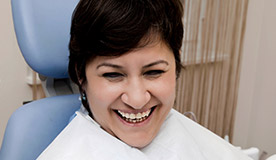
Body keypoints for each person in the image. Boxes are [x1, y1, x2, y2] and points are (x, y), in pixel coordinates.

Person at [38, 0, 252, 159]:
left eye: (154, 72)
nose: (137, 99)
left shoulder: (181, 128)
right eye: (113, 75)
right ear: (81, 76)